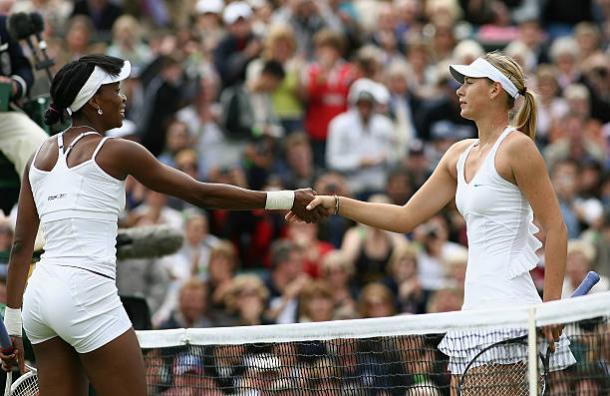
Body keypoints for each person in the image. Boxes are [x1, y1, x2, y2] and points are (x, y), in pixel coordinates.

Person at [0, 54, 325, 396]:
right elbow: (203, 195)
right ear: (95, 100)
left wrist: (14, 327)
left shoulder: (38, 156)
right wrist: (285, 199)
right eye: (116, 90)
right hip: (83, 293)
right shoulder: (117, 151)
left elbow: (21, 248)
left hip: (39, 300)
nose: (123, 98)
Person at [297, 51, 575, 394]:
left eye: (469, 83)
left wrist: (551, 307)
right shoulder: (458, 154)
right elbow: (404, 217)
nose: (459, 90)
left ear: (494, 91)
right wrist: (337, 205)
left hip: (510, 311)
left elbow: (557, 228)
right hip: (474, 309)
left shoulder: (518, 148)